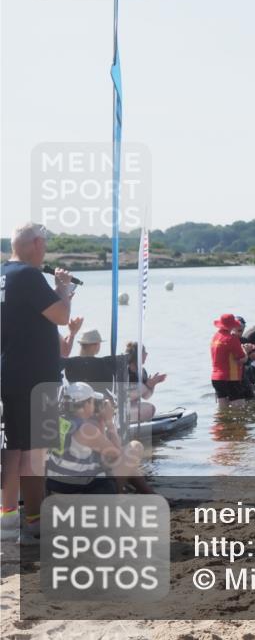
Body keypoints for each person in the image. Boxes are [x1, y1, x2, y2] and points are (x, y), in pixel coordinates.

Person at [1, 223, 74, 542]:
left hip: (10, 370)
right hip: (35, 376)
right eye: (44, 244)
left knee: (14, 446)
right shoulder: (29, 275)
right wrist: (63, 289)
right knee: (35, 450)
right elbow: (61, 316)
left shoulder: (4, 274)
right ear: (37, 243)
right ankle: (35, 521)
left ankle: (7, 519)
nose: (45, 250)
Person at [46, 382, 142, 495]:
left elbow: (100, 456)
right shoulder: (86, 429)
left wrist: (100, 422)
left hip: (58, 488)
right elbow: (117, 455)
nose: (95, 405)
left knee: (125, 466)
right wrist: (109, 423)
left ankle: (149, 493)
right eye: (93, 401)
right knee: (135, 447)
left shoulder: (59, 421)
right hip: (78, 490)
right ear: (86, 403)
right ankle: (118, 499)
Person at [210, 314, 252, 409]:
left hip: (216, 379)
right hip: (231, 378)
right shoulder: (231, 339)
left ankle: (222, 424)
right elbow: (242, 359)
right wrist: (245, 350)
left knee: (223, 410)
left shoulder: (215, 337)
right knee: (239, 411)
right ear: (232, 326)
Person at [125, 342, 165, 421]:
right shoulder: (124, 370)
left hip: (133, 408)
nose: (147, 355)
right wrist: (146, 385)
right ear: (138, 355)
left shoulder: (142, 372)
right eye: (144, 353)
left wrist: (152, 385)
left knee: (151, 409)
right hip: (121, 407)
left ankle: (134, 421)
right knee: (142, 388)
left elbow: (146, 397)